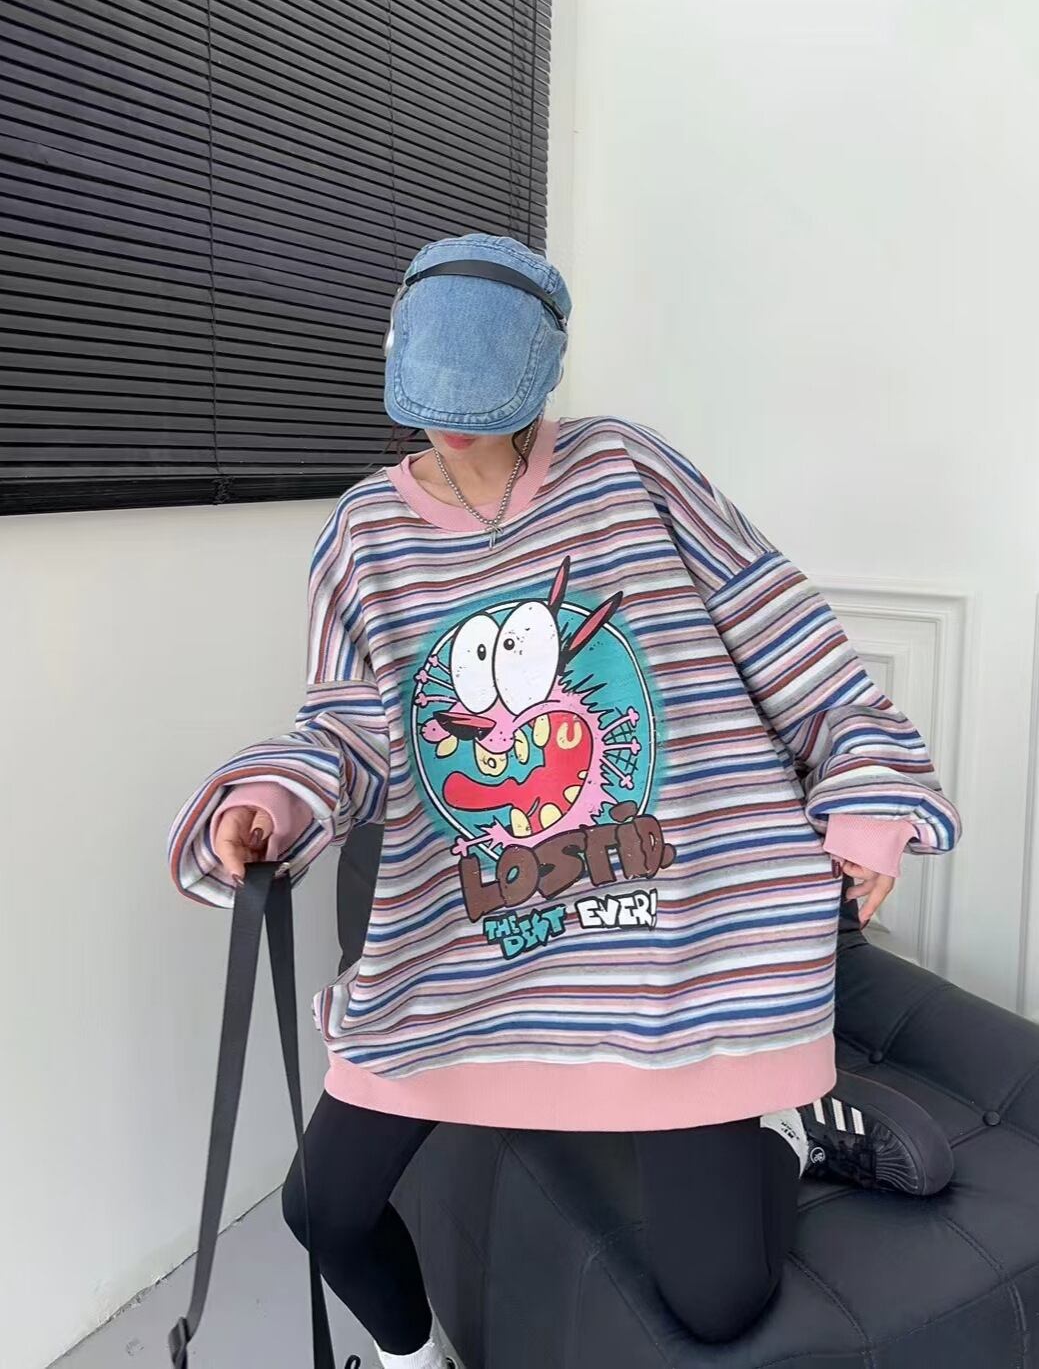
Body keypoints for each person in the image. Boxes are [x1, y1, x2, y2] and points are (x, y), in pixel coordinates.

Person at [168, 233, 962, 1367]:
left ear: (540, 373)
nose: (454, 431)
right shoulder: (362, 536)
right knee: (323, 1212)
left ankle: (781, 1130)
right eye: (432, 402)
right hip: (470, 945)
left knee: (718, 1299)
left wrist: (864, 787)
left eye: (482, 402)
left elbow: (780, 628)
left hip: (674, 937)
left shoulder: (626, 468)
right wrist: (276, 801)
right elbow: (346, 724)